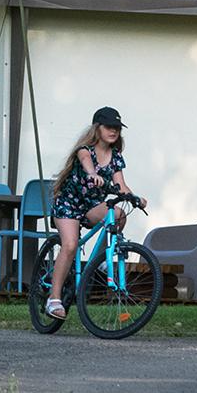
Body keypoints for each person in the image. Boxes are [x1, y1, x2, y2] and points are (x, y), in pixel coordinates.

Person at [43, 106, 146, 320]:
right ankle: (53, 299)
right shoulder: (85, 149)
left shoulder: (116, 157)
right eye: (109, 126)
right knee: (70, 245)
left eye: (117, 127)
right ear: (97, 128)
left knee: (119, 215)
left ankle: (102, 258)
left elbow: (121, 185)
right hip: (69, 204)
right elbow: (87, 165)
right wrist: (93, 174)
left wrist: (135, 198)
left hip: (91, 204)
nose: (114, 131)